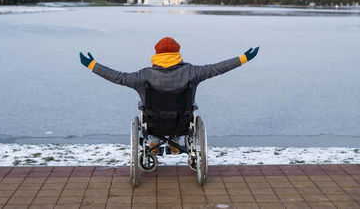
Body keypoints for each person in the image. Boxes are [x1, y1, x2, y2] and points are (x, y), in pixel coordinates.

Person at [80, 37, 259, 154]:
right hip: (182, 123)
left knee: (150, 113)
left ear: (157, 55)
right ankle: (175, 143)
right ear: (177, 54)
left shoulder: (143, 76)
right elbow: (216, 69)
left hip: (153, 124)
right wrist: (243, 58)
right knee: (182, 111)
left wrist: (92, 65)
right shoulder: (192, 72)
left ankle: (155, 143)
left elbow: (118, 77)